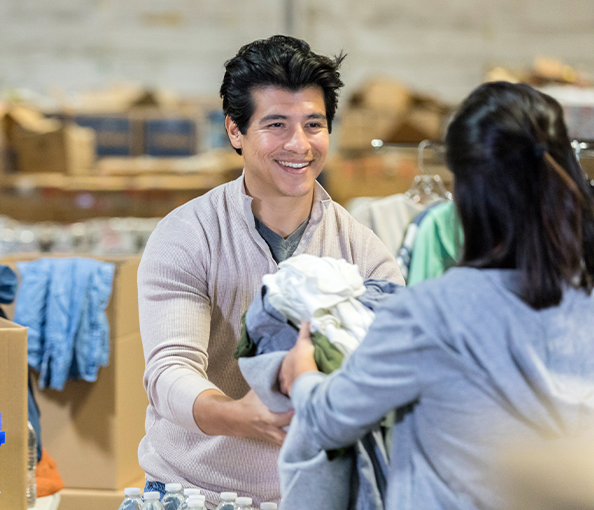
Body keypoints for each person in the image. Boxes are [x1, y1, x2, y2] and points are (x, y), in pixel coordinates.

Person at [279, 81, 594, 510]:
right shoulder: (583, 300)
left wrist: (303, 379)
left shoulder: (430, 314)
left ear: (463, 190)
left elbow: (331, 418)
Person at [137, 35, 403, 506]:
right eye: (276, 124)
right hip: (194, 493)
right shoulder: (187, 235)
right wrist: (240, 415)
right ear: (236, 131)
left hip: (316, 494)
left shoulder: (363, 251)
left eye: (314, 125)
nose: (298, 145)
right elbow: (168, 372)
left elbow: (395, 369)